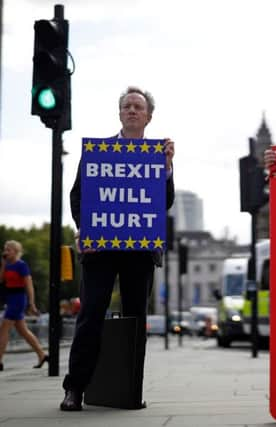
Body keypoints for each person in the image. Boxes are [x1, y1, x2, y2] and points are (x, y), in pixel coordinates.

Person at [60, 86, 175, 411]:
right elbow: (77, 195)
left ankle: (129, 390)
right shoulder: (100, 151)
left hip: (139, 251)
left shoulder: (158, 155)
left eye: (138, 106)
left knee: (135, 318)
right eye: (127, 106)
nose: (132, 110)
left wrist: (166, 168)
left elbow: (163, 202)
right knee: (91, 314)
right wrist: (86, 230)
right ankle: (74, 390)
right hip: (101, 250)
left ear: (148, 116)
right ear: (120, 113)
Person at [0, 240, 49, 372]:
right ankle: (42, 355)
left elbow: (29, 285)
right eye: (5, 249)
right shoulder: (8, 265)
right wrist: (3, 265)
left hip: (19, 298)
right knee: (23, 331)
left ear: (16, 251)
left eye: (8, 249)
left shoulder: (22, 266)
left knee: (3, 328)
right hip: (10, 298)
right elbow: (1, 280)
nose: (5, 252)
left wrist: (31, 303)